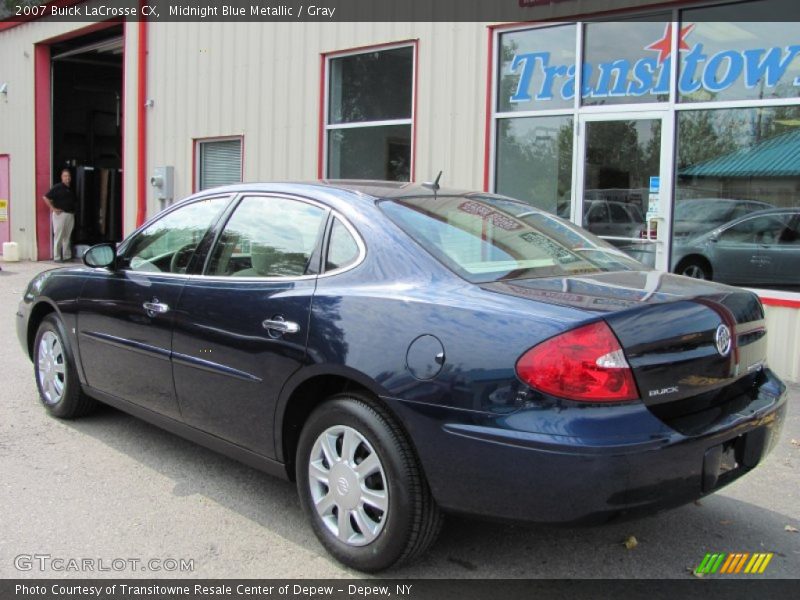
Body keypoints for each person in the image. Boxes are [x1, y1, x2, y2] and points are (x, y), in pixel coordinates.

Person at [43, 168, 77, 262]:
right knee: (59, 236)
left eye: (69, 176)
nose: (67, 178)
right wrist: (53, 208)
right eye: (65, 176)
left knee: (67, 236)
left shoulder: (70, 189)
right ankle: (57, 257)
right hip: (60, 214)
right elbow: (45, 197)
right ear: (62, 177)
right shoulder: (58, 187)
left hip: (70, 215)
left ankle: (67, 256)